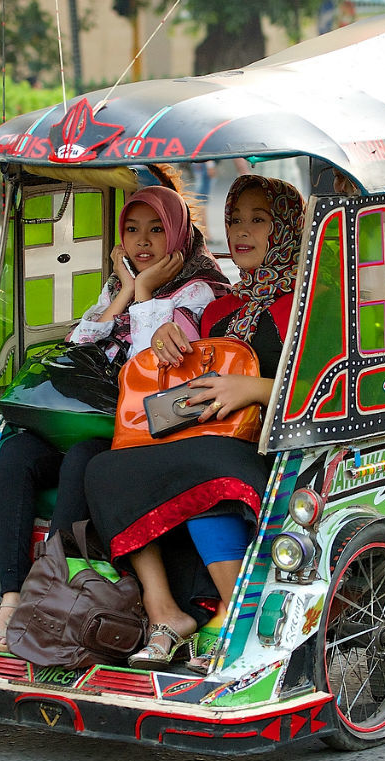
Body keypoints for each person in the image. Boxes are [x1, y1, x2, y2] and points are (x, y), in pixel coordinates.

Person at [0, 185, 229, 651]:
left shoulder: (201, 290)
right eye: (132, 230)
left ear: (178, 235)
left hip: (147, 429)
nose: (142, 242)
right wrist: (124, 293)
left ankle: (50, 602)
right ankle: (11, 602)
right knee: (17, 453)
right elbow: (77, 354)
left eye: (155, 230)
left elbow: (154, 372)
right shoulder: (116, 286)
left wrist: (144, 294)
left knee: (83, 460)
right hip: (93, 416)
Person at [83, 175, 305, 671]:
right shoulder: (222, 309)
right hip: (209, 438)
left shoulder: (308, 304)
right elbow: (185, 392)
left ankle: (235, 611)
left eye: (258, 220)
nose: (241, 232)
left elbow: (328, 388)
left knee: (201, 463)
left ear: (288, 229)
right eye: (234, 220)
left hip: (281, 451)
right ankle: (165, 612)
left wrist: (255, 389)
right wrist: (162, 337)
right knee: (104, 468)